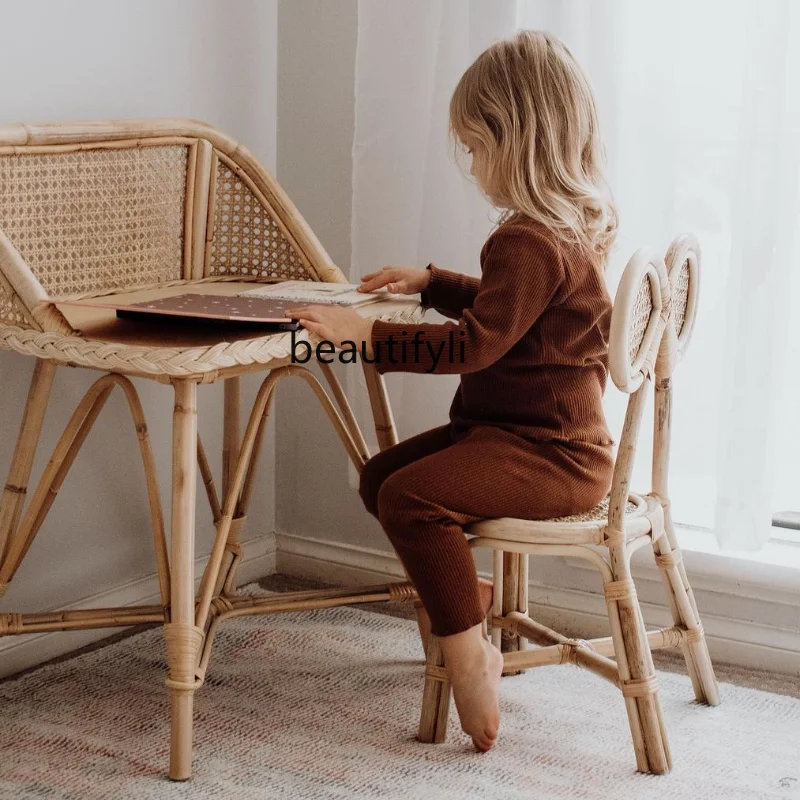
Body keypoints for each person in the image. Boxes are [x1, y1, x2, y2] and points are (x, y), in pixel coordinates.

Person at [295, 29, 617, 753]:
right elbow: (516, 312)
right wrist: (435, 283)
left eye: (474, 146)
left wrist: (364, 335)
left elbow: (478, 343)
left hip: (551, 455)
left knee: (412, 498)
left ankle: (470, 651)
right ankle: (469, 599)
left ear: (517, 140)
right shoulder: (565, 229)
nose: (469, 165)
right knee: (382, 476)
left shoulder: (527, 240)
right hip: (528, 436)